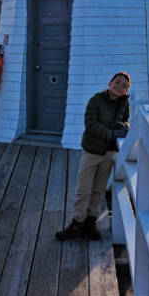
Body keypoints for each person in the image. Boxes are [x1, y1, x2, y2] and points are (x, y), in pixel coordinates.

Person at [56, 71, 130, 241]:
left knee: (98, 190)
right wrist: (112, 133)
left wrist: (124, 125)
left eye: (124, 86)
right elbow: (91, 125)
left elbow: (127, 121)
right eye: (117, 82)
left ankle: (90, 222)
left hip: (110, 152)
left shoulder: (124, 104)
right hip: (92, 151)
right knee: (83, 189)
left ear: (126, 91)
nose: (119, 86)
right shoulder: (96, 100)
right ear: (110, 82)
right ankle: (77, 223)